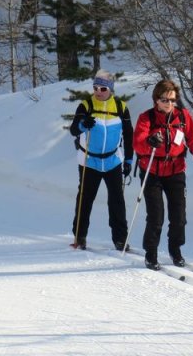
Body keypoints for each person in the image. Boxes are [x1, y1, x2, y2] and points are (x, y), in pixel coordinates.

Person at [133, 79, 193, 270]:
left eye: (172, 100)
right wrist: (149, 141)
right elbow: (138, 143)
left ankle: (175, 250)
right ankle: (151, 254)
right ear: (156, 99)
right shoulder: (147, 118)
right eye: (165, 100)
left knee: (179, 217)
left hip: (176, 171)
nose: (169, 104)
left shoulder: (182, 116)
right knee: (156, 216)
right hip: (152, 172)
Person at [69, 69, 134, 251]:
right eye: (95, 88)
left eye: (103, 89)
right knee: (85, 199)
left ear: (110, 89)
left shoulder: (121, 107)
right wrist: (83, 125)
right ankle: (80, 236)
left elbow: (129, 134)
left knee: (117, 201)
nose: (98, 91)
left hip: (113, 160)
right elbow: (74, 130)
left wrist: (129, 160)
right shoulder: (86, 106)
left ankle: (120, 239)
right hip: (89, 161)